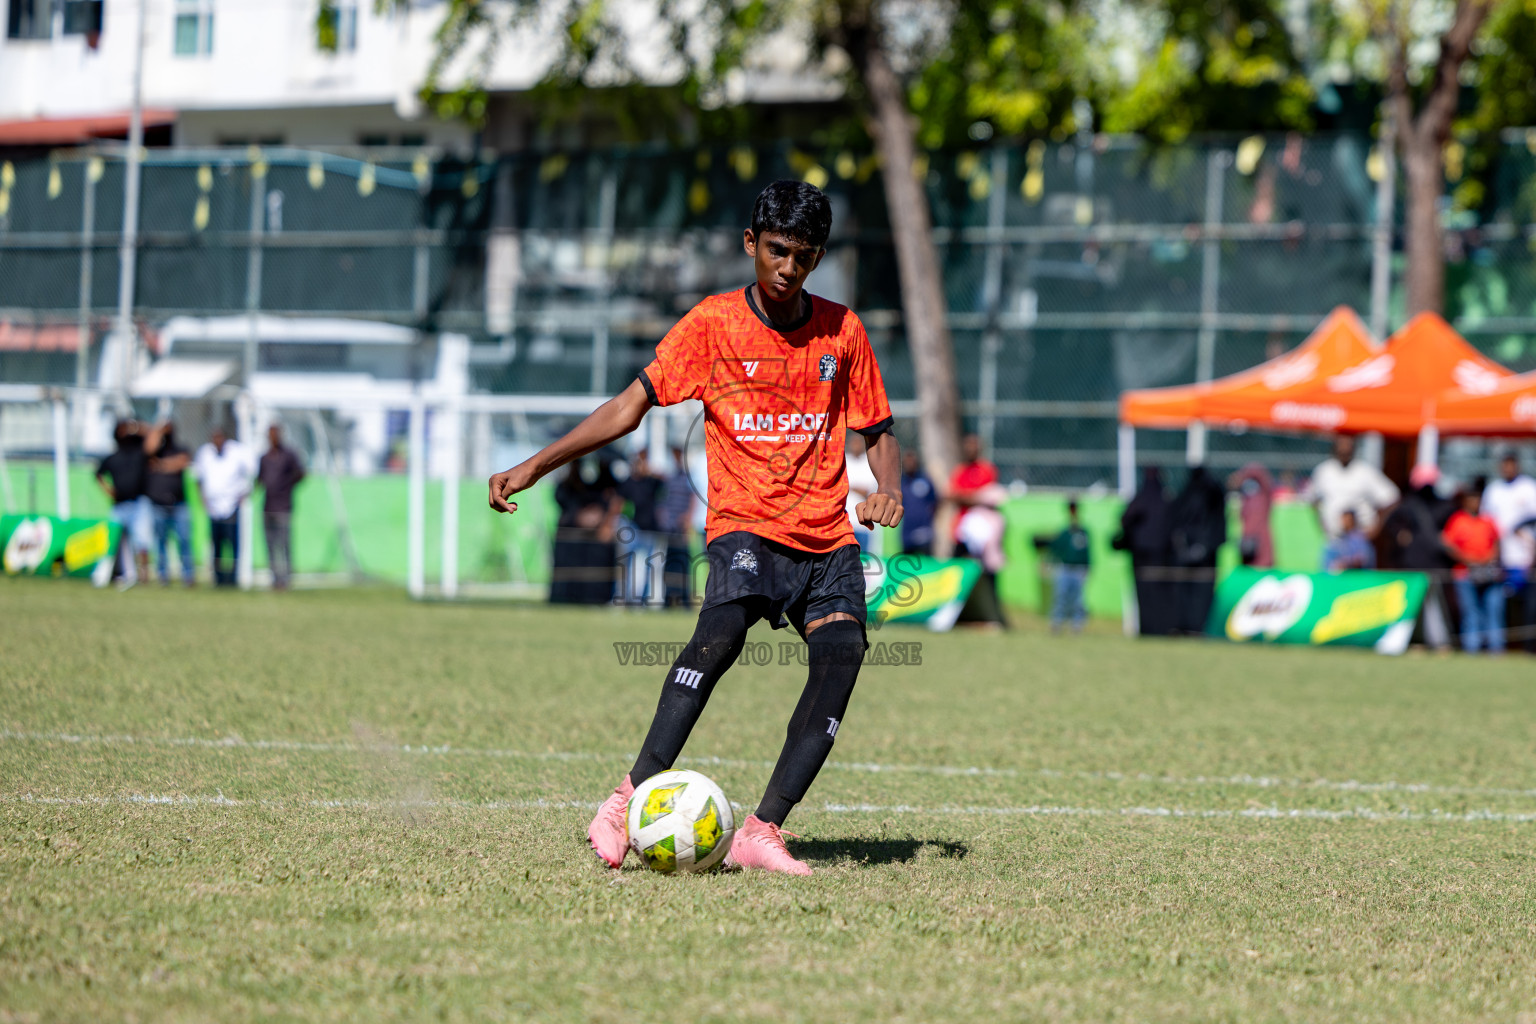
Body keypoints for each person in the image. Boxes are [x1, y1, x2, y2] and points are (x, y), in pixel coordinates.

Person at [489, 180, 902, 875]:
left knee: (843, 656)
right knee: (722, 634)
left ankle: (762, 830)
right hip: (744, 525)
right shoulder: (712, 325)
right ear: (750, 244)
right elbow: (629, 407)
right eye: (776, 250)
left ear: (818, 257)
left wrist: (888, 487)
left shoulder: (843, 331)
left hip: (826, 536)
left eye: (803, 256)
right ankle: (625, 799)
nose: (787, 268)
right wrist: (537, 465)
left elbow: (880, 428)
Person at [1381, 464, 1454, 651]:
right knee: (1418, 606)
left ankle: (1436, 642)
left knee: (1431, 605)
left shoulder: (1438, 506)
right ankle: (1420, 641)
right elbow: (1391, 524)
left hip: (1428, 562)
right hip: (1422, 562)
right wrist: (1400, 534)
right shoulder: (1416, 505)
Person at [1481, 452, 1536, 653]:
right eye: (1504, 465)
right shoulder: (1493, 490)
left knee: (1527, 604)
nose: (1508, 469)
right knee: (1497, 603)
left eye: (1511, 465)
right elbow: (1486, 521)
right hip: (1498, 557)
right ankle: (1498, 647)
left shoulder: (1529, 488)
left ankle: (1528, 647)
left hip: (1524, 557)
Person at [95, 419, 159, 590]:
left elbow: (153, 435)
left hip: (138, 503)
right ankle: (111, 574)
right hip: (119, 505)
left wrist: (137, 427)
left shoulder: (139, 453)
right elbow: (98, 475)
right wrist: (108, 490)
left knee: (142, 541)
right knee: (114, 541)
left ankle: (144, 577)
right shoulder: (113, 457)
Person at [1442, 482, 1505, 654]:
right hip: (1465, 573)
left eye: (1477, 499)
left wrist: (1489, 557)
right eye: (1471, 499)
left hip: (1488, 573)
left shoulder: (1488, 520)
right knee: (1471, 614)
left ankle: (1496, 650)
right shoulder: (1457, 520)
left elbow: (1497, 542)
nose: (1475, 502)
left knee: (1494, 611)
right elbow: (1447, 545)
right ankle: (1472, 650)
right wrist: (1467, 559)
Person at [549, 459, 622, 605]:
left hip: (595, 542)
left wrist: (601, 517)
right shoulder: (565, 486)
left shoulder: (609, 487)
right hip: (570, 541)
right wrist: (579, 516)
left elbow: (615, 502)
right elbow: (563, 502)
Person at [1115, 467, 1175, 637]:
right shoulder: (1165, 500)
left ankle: (1148, 629)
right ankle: (1159, 629)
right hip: (1162, 557)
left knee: (1145, 596)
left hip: (1141, 557)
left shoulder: (1141, 499)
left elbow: (1125, 520)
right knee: (1160, 596)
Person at [1302, 435, 1399, 539]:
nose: (1344, 449)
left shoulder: (1365, 471)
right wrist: (1321, 523)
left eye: (1347, 446)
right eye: (1341, 445)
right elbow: (1311, 499)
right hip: (1332, 540)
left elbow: (1391, 497)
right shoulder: (1323, 471)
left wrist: (1376, 527)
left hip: (1359, 541)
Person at [193, 424, 255, 588]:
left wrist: (244, 494)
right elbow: (198, 478)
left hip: (232, 506)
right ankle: (219, 579)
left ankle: (233, 578)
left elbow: (251, 474)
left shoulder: (237, 452)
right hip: (213, 508)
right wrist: (203, 499)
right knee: (216, 545)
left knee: (233, 544)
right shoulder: (205, 453)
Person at [1169, 465, 1227, 635]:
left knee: (1191, 591)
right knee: (1200, 592)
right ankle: (1195, 626)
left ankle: (1190, 625)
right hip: (1205, 552)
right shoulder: (1212, 492)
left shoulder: (1196, 493)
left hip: (1197, 551)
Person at [145, 421, 194, 587]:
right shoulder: (154, 451)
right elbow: (148, 449)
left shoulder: (180, 448)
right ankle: (162, 576)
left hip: (179, 504)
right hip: (158, 504)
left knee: (184, 540)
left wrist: (160, 465)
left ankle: (188, 576)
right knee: (160, 542)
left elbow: (182, 462)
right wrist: (157, 430)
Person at [257, 424, 306, 591]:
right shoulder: (264, 458)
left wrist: (286, 486)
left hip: (283, 507)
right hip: (267, 507)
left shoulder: (289, 455)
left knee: (284, 544)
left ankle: (286, 579)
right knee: (270, 545)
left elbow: (301, 474)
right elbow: (260, 480)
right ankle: (274, 579)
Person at [617, 448, 665, 604]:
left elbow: (663, 481)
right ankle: (630, 598)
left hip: (651, 529)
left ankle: (651, 601)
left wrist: (649, 471)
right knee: (632, 567)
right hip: (634, 529)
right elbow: (620, 503)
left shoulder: (651, 481)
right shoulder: (628, 482)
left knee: (653, 567)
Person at [657, 445, 697, 607]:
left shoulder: (688, 477)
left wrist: (687, 518)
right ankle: (668, 599)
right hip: (670, 528)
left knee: (683, 563)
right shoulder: (670, 478)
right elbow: (662, 500)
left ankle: (685, 600)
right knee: (669, 564)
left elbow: (693, 498)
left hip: (682, 529)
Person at [1047, 499, 1091, 634]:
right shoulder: (1064, 533)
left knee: (1078, 600)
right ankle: (1057, 623)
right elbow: (1055, 549)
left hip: (1078, 569)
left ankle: (1077, 625)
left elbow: (1087, 552)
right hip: (1064, 568)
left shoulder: (1083, 533)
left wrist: (1088, 567)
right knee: (1060, 597)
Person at [1228, 463, 1275, 567]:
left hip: (1261, 541)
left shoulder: (1264, 498)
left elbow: (1260, 474)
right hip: (1248, 541)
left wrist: (1243, 475)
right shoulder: (1245, 501)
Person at [844, 430, 879, 555]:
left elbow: (869, 491)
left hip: (864, 523)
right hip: (845, 522)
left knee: (865, 559)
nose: (855, 446)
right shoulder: (844, 461)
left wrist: (851, 486)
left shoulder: (869, 462)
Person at [899, 448, 938, 557]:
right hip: (907, 533)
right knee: (908, 565)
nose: (909, 464)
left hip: (924, 531)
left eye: (911, 461)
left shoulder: (925, 480)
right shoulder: (900, 483)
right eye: (906, 462)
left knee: (926, 565)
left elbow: (935, 501)